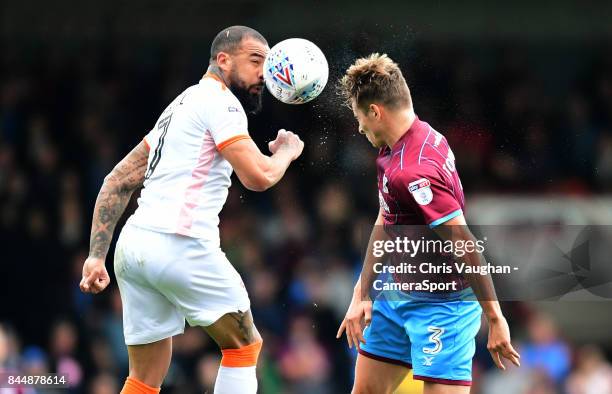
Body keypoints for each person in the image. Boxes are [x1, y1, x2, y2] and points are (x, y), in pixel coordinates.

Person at [79, 25, 304, 394]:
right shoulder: (222, 103)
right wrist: (286, 153)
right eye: (255, 60)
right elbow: (259, 177)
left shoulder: (180, 105)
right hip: (178, 242)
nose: (263, 72)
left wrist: (95, 256)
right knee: (245, 346)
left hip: (133, 249)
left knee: (143, 378)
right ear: (223, 60)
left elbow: (117, 180)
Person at [336, 53, 520, 394]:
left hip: (443, 307)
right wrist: (361, 292)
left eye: (359, 117)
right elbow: (386, 218)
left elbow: (464, 243)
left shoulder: (415, 171)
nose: (359, 127)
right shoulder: (401, 144)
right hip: (395, 292)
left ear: (375, 111)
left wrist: (495, 319)